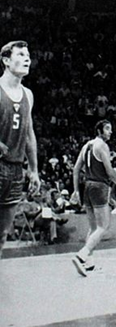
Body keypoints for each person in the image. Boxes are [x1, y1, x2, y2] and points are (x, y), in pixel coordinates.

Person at [0, 40, 41, 258]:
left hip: (16, 169)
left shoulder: (28, 95)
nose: (27, 58)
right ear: (6, 60)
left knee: (2, 234)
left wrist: (33, 170)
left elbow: (28, 134)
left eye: (28, 55)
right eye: (21, 54)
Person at [70, 120, 116, 276]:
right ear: (99, 130)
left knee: (93, 228)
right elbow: (109, 170)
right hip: (100, 186)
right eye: (107, 129)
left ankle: (89, 264)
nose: (110, 132)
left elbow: (75, 169)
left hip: (87, 186)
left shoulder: (87, 145)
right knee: (103, 226)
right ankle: (82, 254)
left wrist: (76, 190)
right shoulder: (102, 146)